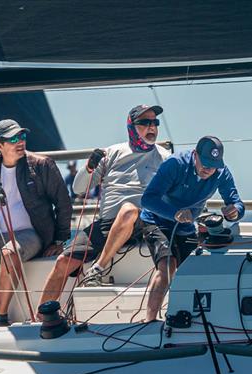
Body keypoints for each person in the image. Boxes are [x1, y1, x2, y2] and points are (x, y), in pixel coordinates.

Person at [39, 104, 170, 304]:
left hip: (145, 223)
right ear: (131, 126)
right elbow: (79, 189)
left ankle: (97, 269)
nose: (152, 127)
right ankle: (41, 318)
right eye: (145, 122)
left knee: (128, 210)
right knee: (63, 262)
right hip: (108, 224)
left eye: (155, 122)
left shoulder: (164, 158)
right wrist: (90, 167)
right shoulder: (112, 153)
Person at [0, 119, 72, 326]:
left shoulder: (41, 165)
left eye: (22, 136)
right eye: (13, 138)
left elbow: (63, 203)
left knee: (9, 253)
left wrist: (59, 240)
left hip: (32, 234)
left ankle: (0, 316)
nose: (20, 141)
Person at [140, 136, 245, 322]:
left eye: (213, 165)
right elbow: (148, 199)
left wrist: (234, 212)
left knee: (195, 270)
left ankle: (193, 320)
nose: (208, 169)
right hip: (156, 219)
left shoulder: (221, 172)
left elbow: (236, 203)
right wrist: (174, 213)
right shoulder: (175, 164)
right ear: (194, 155)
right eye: (204, 163)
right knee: (167, 265)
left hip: (186, 225)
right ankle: (149, 321)